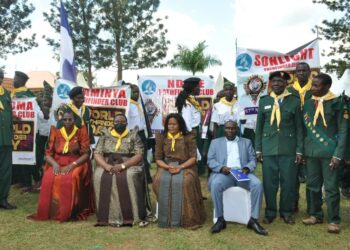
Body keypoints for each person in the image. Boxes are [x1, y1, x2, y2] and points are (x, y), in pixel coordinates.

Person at [255, 71, 303, 225]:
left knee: (288, 182)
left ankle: (286, 212)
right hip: (268, 149)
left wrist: (299, 150)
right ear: (270, 83)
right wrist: (258, 149)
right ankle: (270, 212)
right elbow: (259, 127)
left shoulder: (294, 101)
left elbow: (299, 128)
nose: (277, 84)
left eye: (280, 81)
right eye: (274, 81)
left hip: (288, 149)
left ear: (286, 84)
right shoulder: (264, 101)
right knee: (269, 183)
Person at [301, 73, 347, 234]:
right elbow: (304, 129)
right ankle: (315, 214)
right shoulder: (307, 103)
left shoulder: (338, 103)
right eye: (312, 85)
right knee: (312, 185)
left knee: (331, 188)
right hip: (311, 153)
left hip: (330, 153)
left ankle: (334, 220)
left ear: (327, 86)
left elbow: (344, 130)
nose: (312, 88)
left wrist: (338, 155)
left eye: (316, 85)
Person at [29, 110, 93, 221]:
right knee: (49, 177)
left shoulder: (81, 131)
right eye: (64, 119)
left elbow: (86, 154)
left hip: (76, 161)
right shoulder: (56, 132)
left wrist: (72, 165)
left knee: (71, 177)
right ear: (61, 121)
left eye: (70, 119)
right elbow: (48, 154)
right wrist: (54, 164)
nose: (67, 122)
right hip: (57, 161)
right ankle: (50, 212)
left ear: (75, 120)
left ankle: (68, 211)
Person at [207, 120, 267, 235]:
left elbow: (253, 159)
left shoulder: (246, 142)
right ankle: (220, 219)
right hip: (225, 174)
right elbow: (210, 160)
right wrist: (221, 168)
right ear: (224, 129)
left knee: (257, 184)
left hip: (242, 173)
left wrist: (247, 168)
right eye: (228, 128)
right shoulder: (215, 143)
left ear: (237, 129)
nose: (230, 131)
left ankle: (253, 220)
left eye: (233, 128)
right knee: (216, 184)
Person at [93, 113, 151, 227]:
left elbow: (139, 154)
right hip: (108, 163)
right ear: (113, 123)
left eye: (122, 121)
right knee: (99, 175)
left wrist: (123, 166)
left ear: (126, 123)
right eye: (117, 121)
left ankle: (132, 215)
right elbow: (97, 153)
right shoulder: (105, 135)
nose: (119, 123)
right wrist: (106, 166)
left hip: (129, 164)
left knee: (128, 176)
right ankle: (107, 216)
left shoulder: (133, 135)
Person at [153, 113, 206, 229]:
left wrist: (180, 167)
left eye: (174, 124)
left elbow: (193, 158)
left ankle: (186, 217)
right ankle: (165, 216)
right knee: (158, 180)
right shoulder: (161, 137)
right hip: (166, 166)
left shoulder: (188, 137)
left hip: (185, 166)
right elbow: (158, 159)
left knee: (186, 182)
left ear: (180, 125)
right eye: (169, 124)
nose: (171, 127)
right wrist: (167, 167)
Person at [288, 62, 313, 211]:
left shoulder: (316, 89)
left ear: (310, 72)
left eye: (304, 70)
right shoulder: (289, 90)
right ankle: (293, 203)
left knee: (311, 174)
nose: (302, 73)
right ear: (295, 73)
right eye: (299, 71)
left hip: (311, 136)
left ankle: (312, 206)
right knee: (293, 173)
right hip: (294, 136)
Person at [11, 71, 36, 192]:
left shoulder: (27, 95)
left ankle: (27, 182)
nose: (13, 81)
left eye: (15, 79)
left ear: (22, 81)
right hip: (15, 130)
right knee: (16, 156)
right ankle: (19, 180)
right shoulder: (13, 94)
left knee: (25, 156)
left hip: (26, 131)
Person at [175, 77, 205, 175]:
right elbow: (186, 121)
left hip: (195, 129)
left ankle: (198, 170)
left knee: (197, 150)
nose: (199, 89)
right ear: (192, 88)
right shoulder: (187, 102)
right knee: (193, 151)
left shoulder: (191, 99)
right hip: (191, 131)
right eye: (198, 87)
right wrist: (190, 135)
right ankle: (196, 171)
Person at [127, 84, 152, 183]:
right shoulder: (128, 105)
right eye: (135, 92)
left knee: (143, 156)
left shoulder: (139, 104)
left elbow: (143, 121)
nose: (137, 94)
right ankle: (137, 177)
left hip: (142, 134)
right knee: (135, 157)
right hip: (132, 134)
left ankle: (147, 177)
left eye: (138, 92)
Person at [0, 69, 16, 209]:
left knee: (5, 171)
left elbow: (8, 114)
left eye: (1, 77)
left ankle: (3, 199)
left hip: (5, 139)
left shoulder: (6, 93)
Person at [33, 94, 55, 191]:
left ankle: (45, 181)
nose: (44, 102)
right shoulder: (38, 110)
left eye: (46, 100)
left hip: (50, 138)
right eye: (43, 100)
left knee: (48, 160)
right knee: (38, 160)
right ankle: (38, 180)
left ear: (51, 101)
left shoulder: (54, 111)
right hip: (40, 138)